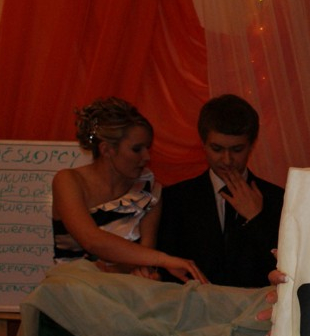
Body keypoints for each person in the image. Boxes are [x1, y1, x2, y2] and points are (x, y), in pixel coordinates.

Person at [51, 97, 206, 283]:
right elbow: (92, 240)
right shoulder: (69, 181)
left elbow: (144, 255)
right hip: (71, 288)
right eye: (137, 149)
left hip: (120, 288)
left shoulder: (149, 190)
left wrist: (137, 271)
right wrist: (165, 260)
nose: (146, 156)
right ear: (106, 150)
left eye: (147, 148)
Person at [157, 93, 284, 288]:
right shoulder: (175, 199)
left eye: (237, 150)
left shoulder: (278, 198)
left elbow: (287, 270)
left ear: (252, 145)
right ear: (203, 143)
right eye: (217, 149)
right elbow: (166, 272)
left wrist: (257, 219)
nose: (227, 159)